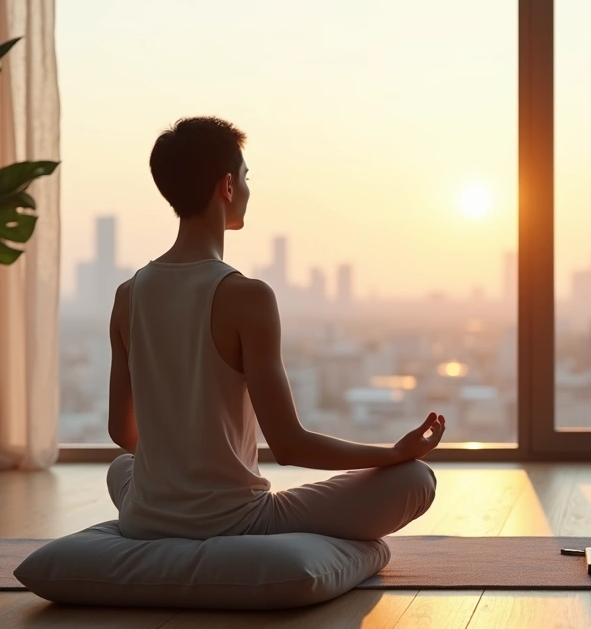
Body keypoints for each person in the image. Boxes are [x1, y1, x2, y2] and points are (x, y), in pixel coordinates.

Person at [104, 116, 445, 541]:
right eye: (246, 178)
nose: (248, 189)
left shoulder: (127, 295)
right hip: (235, 522)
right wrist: (394, 453)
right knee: (415, 479)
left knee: (122, 469)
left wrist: (177, 472)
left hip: (146, 517)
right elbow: (289, 445)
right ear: (227, 186)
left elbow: (122, 433)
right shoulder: (247, 296)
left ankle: (161, 507)